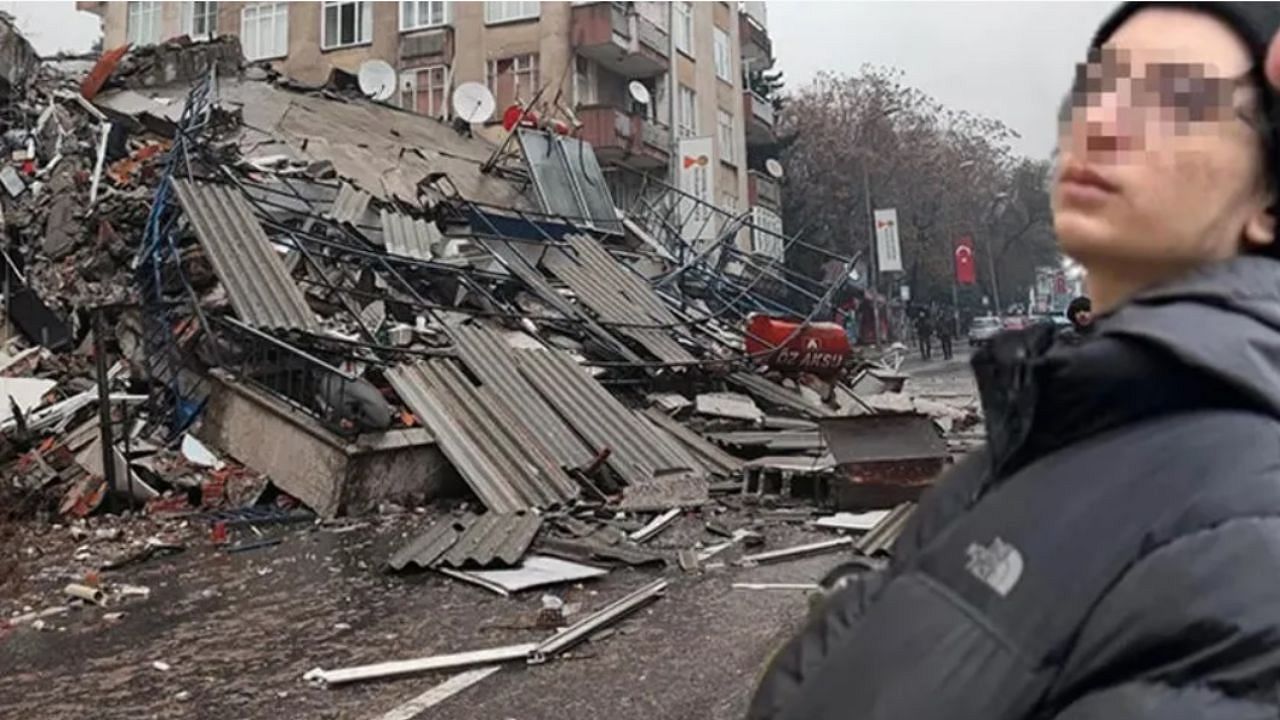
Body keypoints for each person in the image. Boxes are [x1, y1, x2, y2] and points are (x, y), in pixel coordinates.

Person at [748, 5, 1280, 719]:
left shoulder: (1251, 526)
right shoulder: (1044, 432)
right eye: (1097, 89)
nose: (1102, 122)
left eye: (1175, 98)